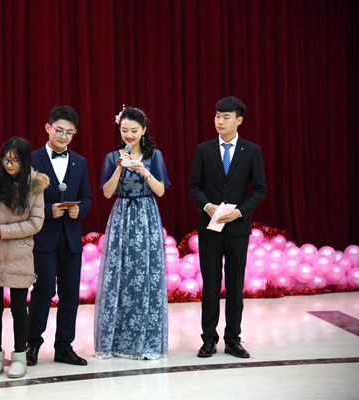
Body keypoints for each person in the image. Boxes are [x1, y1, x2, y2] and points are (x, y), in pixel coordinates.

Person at [188, 96, 266, 359]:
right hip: (209, 228)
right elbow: (193, 187)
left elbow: (259, 190)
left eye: (225, 117)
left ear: (239, 120)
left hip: (237, 229)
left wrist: (239, 212)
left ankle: (233, 339)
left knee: (234, 286)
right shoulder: (203, 150)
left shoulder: (251, 151)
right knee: (210, 286)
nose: (219, 121)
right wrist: (207, 206)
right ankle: (208, 339)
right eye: (217, 116)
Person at [0, 137, 48, 379]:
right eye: (5, 159)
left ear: (25, 161)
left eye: (14, 160)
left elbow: (36, 222)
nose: (9, 164)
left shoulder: (35, 184)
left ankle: (20, 358)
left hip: (20, 255)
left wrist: (3, 231)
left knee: (19, 310)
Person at [94, 106, 170, 360]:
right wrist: (119, 168)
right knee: (119, 275)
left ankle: (146, 341)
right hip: (121, 216)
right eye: (124, 130)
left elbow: (160, 191)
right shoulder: (111, 157)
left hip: (147, 216)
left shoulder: (154, 156)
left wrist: (144, 171)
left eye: (134, 130)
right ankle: (116, 341)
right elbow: (107, 193)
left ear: (144, 130)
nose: (129, 135)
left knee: (146, 274)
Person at [26, 105, 92, 366]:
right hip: (43, 237)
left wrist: (80, 209)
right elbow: (24, 201)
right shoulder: (33, 160)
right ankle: (32, 344)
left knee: (70, 294)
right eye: (59, 131)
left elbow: (87, 197)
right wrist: (47, 210)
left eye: (69, 133)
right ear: (48, 128)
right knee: (43, 291)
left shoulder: (80, 162)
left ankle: (64, 346)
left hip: (71, 238)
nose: (64, 136)